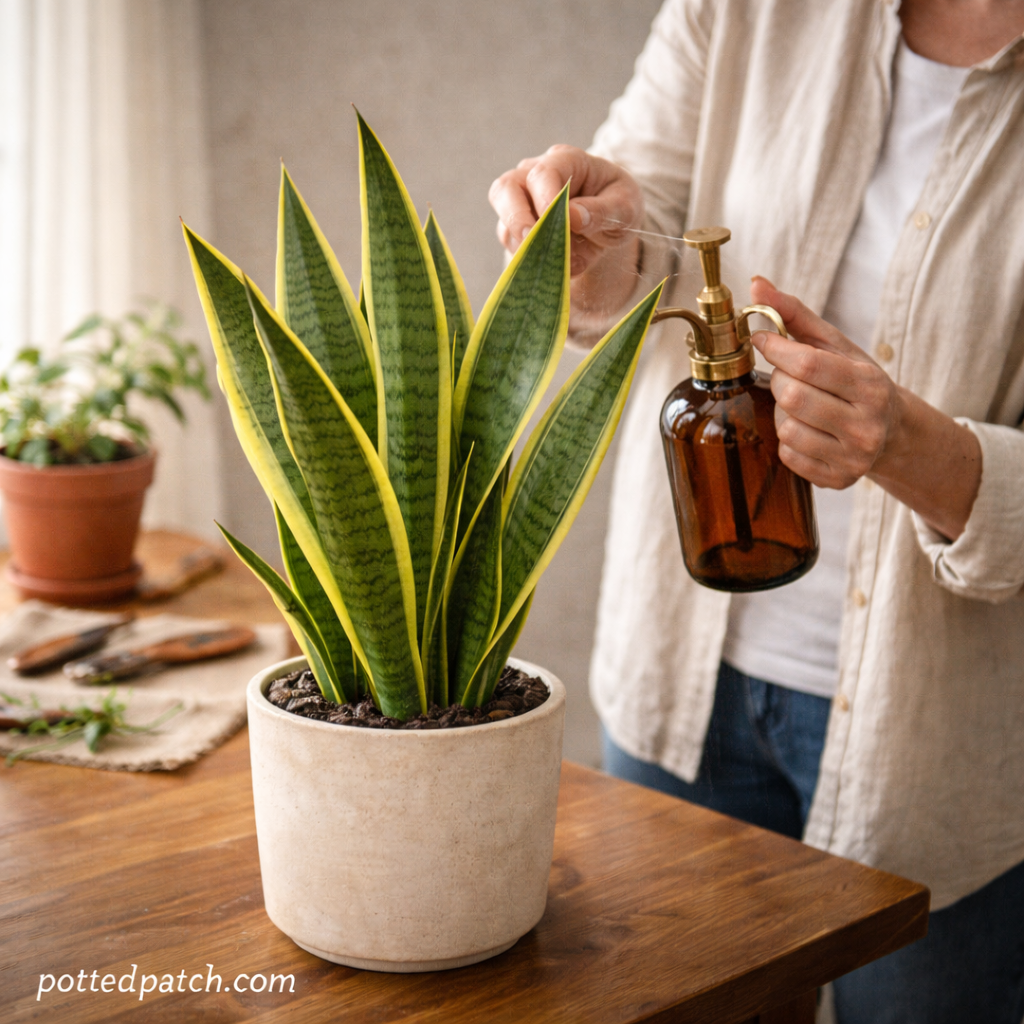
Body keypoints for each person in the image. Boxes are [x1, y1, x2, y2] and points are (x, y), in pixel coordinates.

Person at [489, 1, 1024, 1021]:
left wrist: (917, 448)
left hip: (942, 750)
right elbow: (635, 236)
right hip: (683, 700)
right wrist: (585, 245)